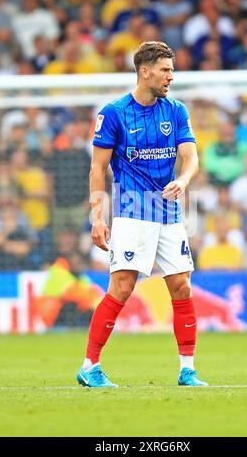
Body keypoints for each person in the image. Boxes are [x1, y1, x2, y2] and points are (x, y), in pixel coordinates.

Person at [77, 41, 208, 388]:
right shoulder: (115, 113)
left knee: (182, 286)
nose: (171, 77)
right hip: (132, 213)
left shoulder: (176, 110)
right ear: (145, 71)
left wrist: (183, 178)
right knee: (122, 287)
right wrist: (98, 216)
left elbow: (191, 156)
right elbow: (97, 168)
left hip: (169, 213)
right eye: (165, 70)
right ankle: (90, 366)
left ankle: (187, 370)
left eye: (172, 70)